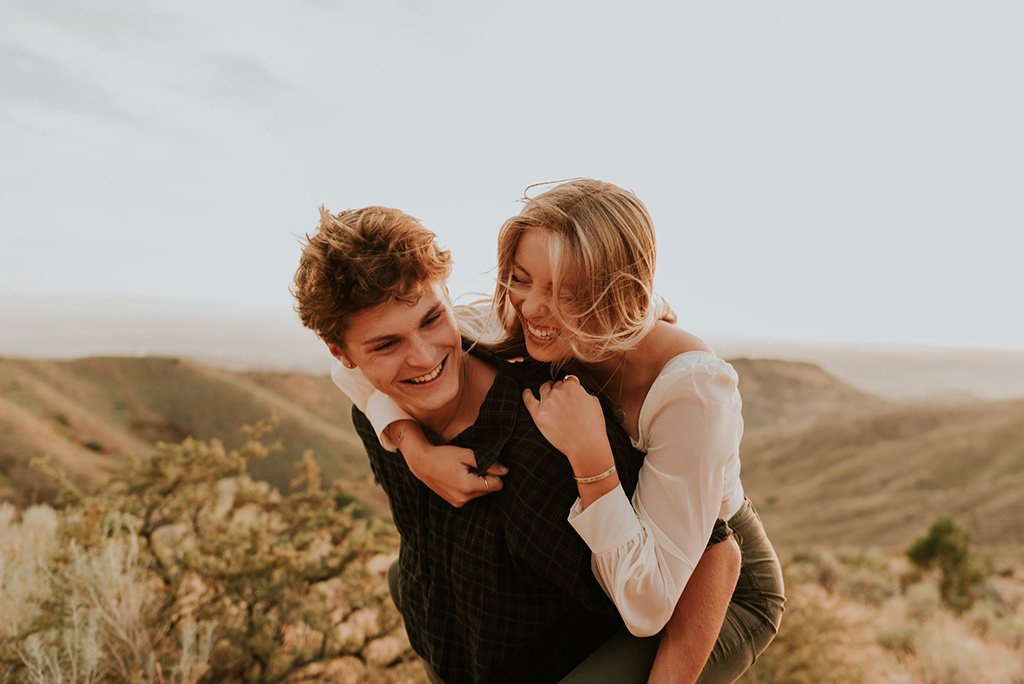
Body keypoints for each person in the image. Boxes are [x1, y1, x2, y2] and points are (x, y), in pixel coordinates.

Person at [338, 180, 785, 683]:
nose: (529, 308)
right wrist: (412, 446)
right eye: (521, 278)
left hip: (706, 584)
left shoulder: (693, 391)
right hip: (624, 556)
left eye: (566, 292)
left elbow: (664, 592)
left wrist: (591, 458)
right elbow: (352, 361)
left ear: (618, 292)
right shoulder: (529, 321)